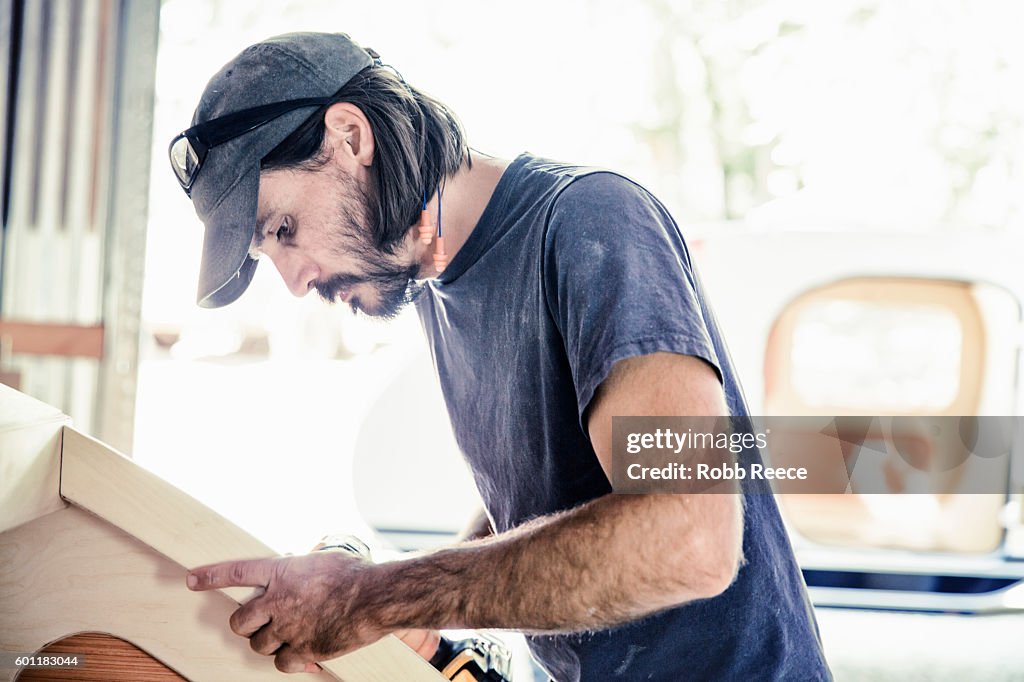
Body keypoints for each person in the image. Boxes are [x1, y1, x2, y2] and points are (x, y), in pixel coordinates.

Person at [172, 31, 832, 681]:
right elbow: (548, 492)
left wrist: (369, 599)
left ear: (350, 138)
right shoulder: (431, 278)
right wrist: (404, 603)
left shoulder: (590, 222)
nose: (293, 281)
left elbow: (690, 534)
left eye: (282, 230)